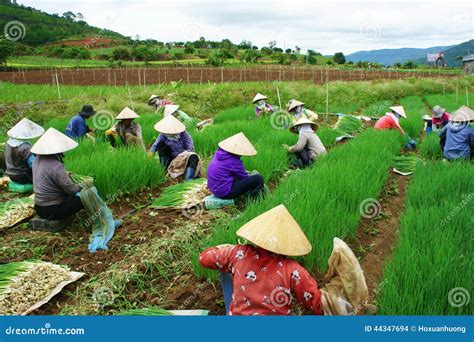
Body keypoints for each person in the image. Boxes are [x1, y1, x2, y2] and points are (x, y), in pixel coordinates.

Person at [199, 204, 323, 316]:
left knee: (225, 266)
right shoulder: (293, 270)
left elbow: (203, 259)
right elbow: (316, 306)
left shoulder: (238, 253)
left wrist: (223, 247)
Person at [31, 128, 121, 251]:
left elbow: (50, 178)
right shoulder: (56, 166)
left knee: (85, 193)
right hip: (54, 210)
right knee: (88, 194)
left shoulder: (37, 160)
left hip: (40, 207)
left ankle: (105, 218)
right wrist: (83, 185)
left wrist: (66, 175)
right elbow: (71, 190)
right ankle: (101, 222)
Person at [207, 132, 264, 200]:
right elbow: (244, 178)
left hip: (213, 188)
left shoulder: (219, 152)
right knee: (258, 179)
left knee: (237, 175)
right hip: (224, 193)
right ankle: (255, 200)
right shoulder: (235, 161)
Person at [149, 115, 201, 181]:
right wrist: (147, 160)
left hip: (183, 158)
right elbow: (155, 146)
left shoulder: (183, 134)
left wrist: (182, 155)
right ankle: (165, 170)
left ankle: (188, 180)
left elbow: (190, 147)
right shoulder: (163, 135)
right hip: (171, 159)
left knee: (193, 156)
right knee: (161, 145)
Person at [5, 118, 44, 185]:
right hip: (23, 177)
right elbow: (34, 165)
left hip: (11, 175)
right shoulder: (25, 147)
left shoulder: (8, 143)